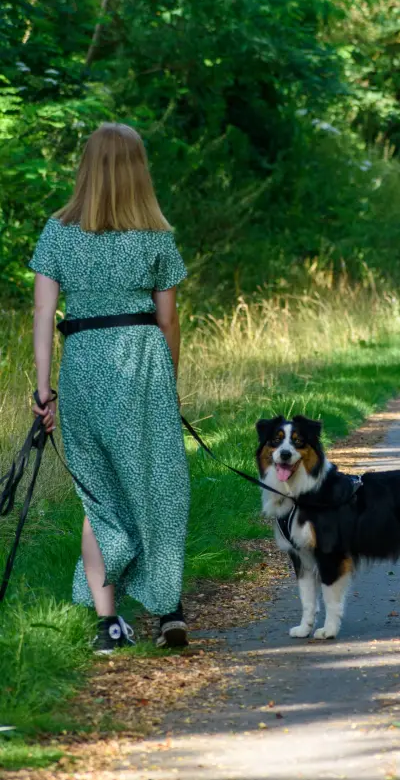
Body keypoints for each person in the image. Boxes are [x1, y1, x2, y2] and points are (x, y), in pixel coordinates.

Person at [29, 122, 191, 654]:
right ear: (138, 169)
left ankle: (108, 625)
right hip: (142, 364)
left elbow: (43, 314)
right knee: (158, 486)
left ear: (87, 166)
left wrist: (43, 390)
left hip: (82, 366)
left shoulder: (57, 232)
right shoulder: (156, 237)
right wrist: (167, 383)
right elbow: (168, 322)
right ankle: (167, 608)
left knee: (98, 497)